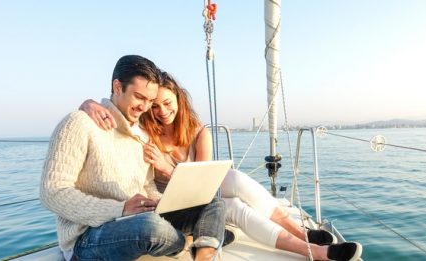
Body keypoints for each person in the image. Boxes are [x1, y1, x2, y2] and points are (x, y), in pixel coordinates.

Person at [81, 72, 363, 261]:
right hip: (166, 203)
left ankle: (303, 233)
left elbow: (200, 184)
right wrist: (88, 103)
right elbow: (117, 110)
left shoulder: (197, 132)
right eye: (154, 106)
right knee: (235, 208)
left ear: (179, 98)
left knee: (236, 180)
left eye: (167, 103)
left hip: (196, 199)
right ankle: (314, 251)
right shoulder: (144, 130)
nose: (161, 111)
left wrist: (169, 167)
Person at [40, 55, 226, 261]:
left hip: (137, 221)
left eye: (150, 101)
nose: (145, 107)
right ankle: (186, 242)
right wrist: (120, 209)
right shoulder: (79, 123)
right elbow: (52, 193)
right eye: (139, 97)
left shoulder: (141, 135)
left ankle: (204, 255)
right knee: (151, 228)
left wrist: (160, 203)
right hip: (88, 237)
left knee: (212, 204)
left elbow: (147, 186)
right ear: (117, 87)